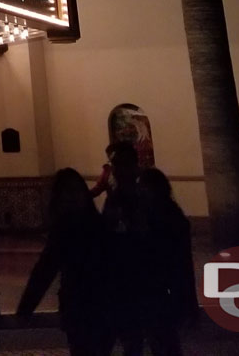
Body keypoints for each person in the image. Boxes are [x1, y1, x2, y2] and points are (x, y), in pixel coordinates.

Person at [17, 168, 111, 356]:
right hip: (90, 306)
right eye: (67, 192)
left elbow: (45, 268)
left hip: (84, 306)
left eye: (75, 191)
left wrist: (26, 307)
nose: (72, 197)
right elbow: (46, 268)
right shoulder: (95, 224)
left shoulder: (71, 227)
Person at [137, 169, 198, 356]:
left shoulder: (162, 216)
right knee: (163, 339)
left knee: (162, 338)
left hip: (161, 287)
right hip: (161, 287)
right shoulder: (167, 214)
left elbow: (181, 261)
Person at [100, 142, 146, 356]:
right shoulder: (115, 199)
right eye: (116, 165)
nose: (118, 170)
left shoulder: (144, 200)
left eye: (122, 165)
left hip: (136, 280)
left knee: (133, 337)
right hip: (115, 281)